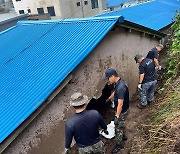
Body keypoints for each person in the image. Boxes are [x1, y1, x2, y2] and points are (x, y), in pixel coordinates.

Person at [105, 68, 129, 154]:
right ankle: (124, 136)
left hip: (122, 111)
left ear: (112, 76)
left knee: (118, 126)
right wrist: (109, 98)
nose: (108, 80)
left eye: (108, 78)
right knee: (121, 123)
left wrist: (117, 116)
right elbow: (115, 92)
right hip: (122, 110)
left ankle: (119, 145)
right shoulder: (118, 83)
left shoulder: (121, 87)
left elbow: (120, 104)